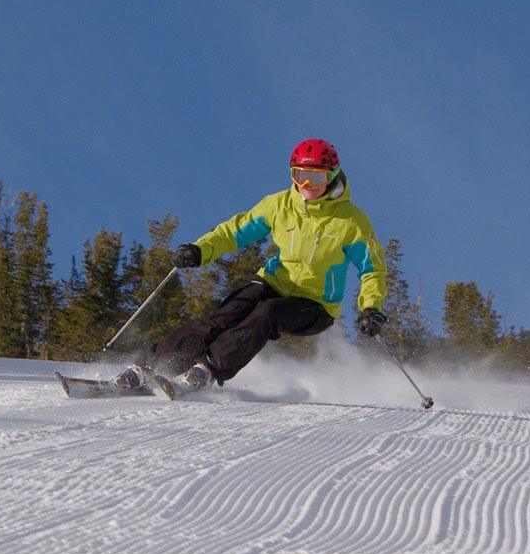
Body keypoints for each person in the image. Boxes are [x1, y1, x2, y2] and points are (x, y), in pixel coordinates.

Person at [118, 137, 388, 391]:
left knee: (268, 313)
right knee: (224, 316)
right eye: (300, 177)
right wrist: (200, 250)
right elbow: (234, 232)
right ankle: (150, 366)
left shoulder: (351, 222)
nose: (307, 187)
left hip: (316, 305)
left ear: (331, 177)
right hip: (272, 282)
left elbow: (372, 268)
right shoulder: (279, 205)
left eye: (315, 179)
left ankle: (209, 368)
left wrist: (371, 307)